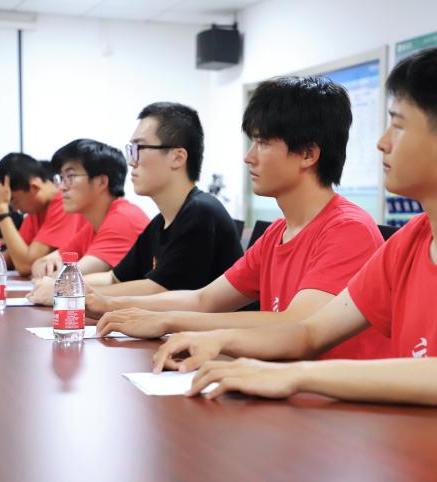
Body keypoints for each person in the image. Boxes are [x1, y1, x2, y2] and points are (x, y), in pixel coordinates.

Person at [150, 48, 437, 455]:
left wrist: (292, 375)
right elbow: (309, 332)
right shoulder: (411, 240)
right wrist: (219, 341)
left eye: (398, 125)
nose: (382, 143)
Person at [94, 77, 390, 361]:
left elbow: (297, 324)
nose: (249, 157)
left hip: (326, 394)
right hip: (278, 382)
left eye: (263, 143)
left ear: (307, 154)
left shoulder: (348, 229)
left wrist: (168, 320)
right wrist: (108, 304)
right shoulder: (278, 233)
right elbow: (204, 300)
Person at [28, 103, 243, 306]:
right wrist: (62, 283)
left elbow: (159, 289)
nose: (131, 161)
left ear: (177, 157)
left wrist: (66, 290)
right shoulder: (160, 222)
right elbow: (114, 278)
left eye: (139, 148)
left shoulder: (201, 212)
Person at [29, 139, 148, 278]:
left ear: (101, 182)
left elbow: (69, 279)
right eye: (61, 178)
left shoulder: (123, 220)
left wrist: (49, 275)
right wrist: (45, 266)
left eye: (70, 176)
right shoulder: (94, 226)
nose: (61, 187)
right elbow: (40, 264)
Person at [0, 152, 87, 275]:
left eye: (14, 200)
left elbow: (25, 266)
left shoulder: (64, 205)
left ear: (34, 187)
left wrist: (1, 208)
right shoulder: (36, 210)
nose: (15, 208)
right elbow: (13, 255)